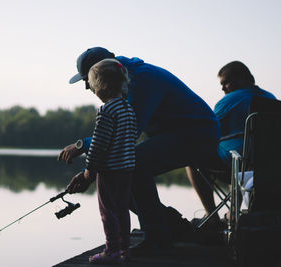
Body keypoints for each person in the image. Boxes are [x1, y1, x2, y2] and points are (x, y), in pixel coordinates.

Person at [58, 47, 221, 255]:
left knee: (134, 166)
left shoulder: (142, 81)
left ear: (100, 72)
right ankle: (171, 227)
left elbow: (126, 133)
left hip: (198, 136)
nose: (87, 87)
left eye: (86, 80)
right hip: (182, 135)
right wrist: (92, 172)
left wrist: (82, 146)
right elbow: (121, 142)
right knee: (125, 169)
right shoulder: (127, 80)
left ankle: (158, 239)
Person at [186, 61, 276, 225]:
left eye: (226, 82)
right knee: (240, 160)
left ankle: (211, 217)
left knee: (192, 159)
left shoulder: (229, 100)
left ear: (244, 79)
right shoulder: (271, 99)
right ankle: (233, 213)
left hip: (237, 163)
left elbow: (207, 129)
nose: (223, 88)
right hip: (266, 167)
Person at [70, 58, 137, 264]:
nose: (90, 89)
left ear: (103, 87)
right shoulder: (128, 108)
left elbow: (99, 145)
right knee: (122, 209)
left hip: (109, 171)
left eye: (92, 85)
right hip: (127, 169)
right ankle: (124, 250)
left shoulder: (106, 111)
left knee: (108, 212)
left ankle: (111, 251)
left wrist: (90, 171)